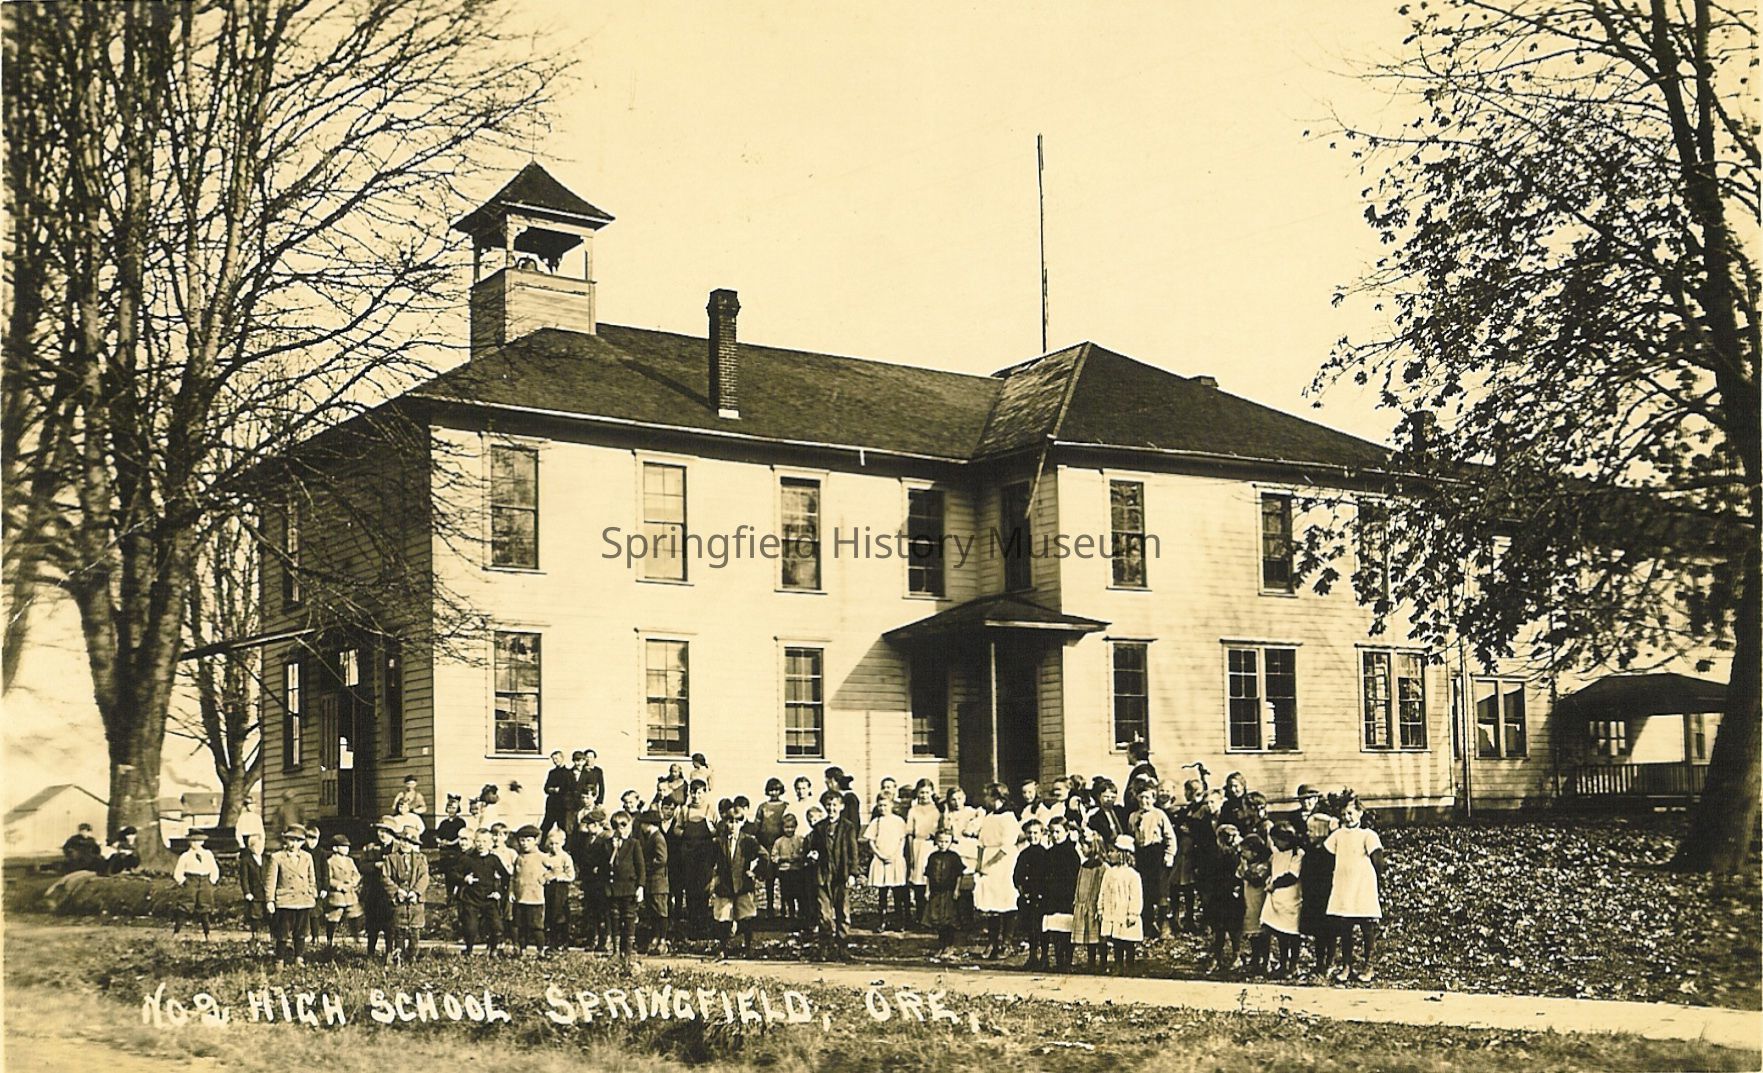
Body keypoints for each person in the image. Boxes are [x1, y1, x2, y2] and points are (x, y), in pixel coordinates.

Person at [1325, 799, 1386, 983]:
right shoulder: (1338, 835)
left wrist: (1376, 883)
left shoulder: (1368, 835)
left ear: (1360, 813)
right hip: (1344, 885)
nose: (1347, 817)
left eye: (1350, 813)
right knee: (1345, 928)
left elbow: (1378, 861)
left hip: (1362, 886)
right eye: (1343, 814)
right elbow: (1327, 855)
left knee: (1367, 927)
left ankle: (1368, 966)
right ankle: (1347, 966)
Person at [805, 790, 858, 961]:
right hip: (823, 874)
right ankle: (825, 947)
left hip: (841, 875)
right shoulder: (819, 827)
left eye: (835, 805)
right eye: (828, 805)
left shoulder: (848, 827)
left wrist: (853, 873)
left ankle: (843, 947)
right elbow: (813, 847)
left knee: (843, 912)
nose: (831, 808)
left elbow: (853, 851)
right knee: (824, 913)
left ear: (841, 807)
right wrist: (813, 854)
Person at [709, 798, 764, 959]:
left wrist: (755, 872)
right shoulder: (719, 842)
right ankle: (723, 948)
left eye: (737, 822)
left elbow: (764, 856)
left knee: (746, 916)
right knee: (723, 917)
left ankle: (748, 947)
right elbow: (709, 861)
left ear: (742, 822)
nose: (733, 825)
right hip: (725, 885)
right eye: (730, 822)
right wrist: (714, 877)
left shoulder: (748, 840)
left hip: (742, 884)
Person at [973, 785, 1021, 960]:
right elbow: (980, 843)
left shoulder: (1009, 818)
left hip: (1003, 863)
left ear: (997, 798)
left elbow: (1006, 847)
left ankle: (1006, 943)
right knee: (991, 903)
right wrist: (980, 864)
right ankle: (992, 942)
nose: (985, 799)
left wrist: (989, 864)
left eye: (987, 796)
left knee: (1006, 901)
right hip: (988, 860)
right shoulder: (989, 817)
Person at [1128, 786, 1176, 940]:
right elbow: (1131, 836)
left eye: (1147, 798)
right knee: (1145, 890)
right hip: (1142, 855)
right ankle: (1148, 924)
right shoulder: (1133, 816)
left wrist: (1169, 855)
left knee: (1161, 890)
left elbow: (1170, 837)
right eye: (1141, 797)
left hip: (1157, 854)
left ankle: (1164, 924)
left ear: (1154, 799)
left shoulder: (1159, 814)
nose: (1144, 801)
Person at [265, 824, 317, 966]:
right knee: (283, 932)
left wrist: (312, 892)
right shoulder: (277, 858)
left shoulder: (307, 857)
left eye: (298, 841)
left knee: (301, 931)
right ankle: (279, 959)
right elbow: (271, 881)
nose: (294, 844)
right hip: (285, 900)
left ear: (303, 842)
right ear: (285, 840)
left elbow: (311, 878)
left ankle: (299, 957)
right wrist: (270, 900)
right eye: (291, 840)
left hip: (303, 899)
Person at [381, 819, 429, 965]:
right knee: (399, 930)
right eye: (402, 840)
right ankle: (398, 956)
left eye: (409, 842)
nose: (405, 844)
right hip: (399, 899)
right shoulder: (391, 858)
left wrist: (416, 892)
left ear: (414, 844)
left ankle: (412, 956)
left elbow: (424, 877)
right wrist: (397, 891)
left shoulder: (421, 859)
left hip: (415, 901)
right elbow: (385, 877)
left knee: (415, 930)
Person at [1261, 822, 1306, 978]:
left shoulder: (1297, 854)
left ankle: (1293, 965)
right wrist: (1269, 879)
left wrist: (1274, 884)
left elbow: (1292, 876)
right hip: (1275, 897)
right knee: (1278, 932)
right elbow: (1274, 870)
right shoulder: (1276, 854)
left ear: (1286, 840)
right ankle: (1282, 963)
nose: (1274, 844)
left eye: (1276, 841)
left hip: (1291, 897)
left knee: (1291, 933)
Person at [1299, 812, 1340, 978]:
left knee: (1329, 931)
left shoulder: (1329, 852)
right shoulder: (1309, 850)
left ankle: (1330, 961)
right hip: (1312, 895)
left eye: (1311, 830)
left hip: (1326, 895)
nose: (1308, 834)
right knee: (1318, 931)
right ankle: (1319, 962)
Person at [457, 829, 509, 956]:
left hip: (489, 898)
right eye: (478, 841)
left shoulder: (494, 859)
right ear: (474, 842)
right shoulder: (467, 859)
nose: (481, 845)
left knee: (497, 926)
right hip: (471, 898)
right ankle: (469, 950)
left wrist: (499, 892)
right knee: (471, 927)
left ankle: (493, 949)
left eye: (485, 841)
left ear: (491, 843)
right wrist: (464, 878)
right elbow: (453, 873)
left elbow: (506, 877)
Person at [1098, 834, 1144, 975]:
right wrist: (1100, 908)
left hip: (1125, 912)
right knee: (1116, 940)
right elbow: (1103, 892)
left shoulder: (1132, 875)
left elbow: (1135, 896)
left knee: (1128, 941)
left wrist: (1133, 913)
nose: (1109, 854)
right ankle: (1118, 965)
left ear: (1122, 854)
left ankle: (1129, 966)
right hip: (1112, 911)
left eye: (1113, 851)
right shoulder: (1109, 873)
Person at [1040, 816, 1082, 971]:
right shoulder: (1049, 853)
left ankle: (1067, 961)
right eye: (1052, 832)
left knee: (1066, 928)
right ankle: (1058, 960)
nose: (1055, 835)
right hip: (1052, 896)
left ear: (1067, 831)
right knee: (1055, 928)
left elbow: (1075, 877)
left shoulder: (1072, 853)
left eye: (1058, 832)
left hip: (1066, 896)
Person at [862, 797, 909, 931]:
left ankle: (899, 922)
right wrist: (880, 855)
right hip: (880, 860)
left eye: (885, 805)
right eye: (880, 806)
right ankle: (882, 921)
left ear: (891, 805)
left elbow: (902, 840)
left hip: (895, 859)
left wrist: (895, 855)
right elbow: (871, 841)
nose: (883, 808)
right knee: (882, 894)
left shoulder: (898, 821)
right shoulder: (876, 822)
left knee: (897, 893)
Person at [1204, 823, 1245, 974]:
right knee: (1219, 927)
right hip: (1218, 894)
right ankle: (1217, 957)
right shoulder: (1215, 853)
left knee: (1234, 928)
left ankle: (1236, 955)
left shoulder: (1240, 854)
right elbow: (1209, 874)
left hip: (1234, 894)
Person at [606, 810, 646, 956]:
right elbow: (605, 865)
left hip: (629, 888)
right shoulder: (607, 845)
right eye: (616, 826)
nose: (620, 830)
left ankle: (628, 951)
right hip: (613, 888)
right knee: (614, 919)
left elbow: (640, 867)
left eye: (624, 826)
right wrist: (613, 848)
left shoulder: (633, 844)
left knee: (629, 919)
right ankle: (616, 950)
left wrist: (640, 886)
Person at [572, 809, 611, 951]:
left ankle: (604, 940)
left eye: (589, 824)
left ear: (597, 824)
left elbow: (609, 859)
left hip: (601, 880)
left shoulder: (606, 838)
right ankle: (592, 939)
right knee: (591, 910)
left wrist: (600, 869)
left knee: (603, 911)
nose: (587, 828)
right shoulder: (588, 839)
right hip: (589, 880)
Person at [903, 779, 942, 920]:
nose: (924, 795)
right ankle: (920, 915)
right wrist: (911, 854)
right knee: (919, 879)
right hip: (918, 845)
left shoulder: (937, 810)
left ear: (932, 792)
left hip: (933, 845)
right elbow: (910, 833)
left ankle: (934, 916)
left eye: (927, 792)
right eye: (921, 792)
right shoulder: (913, 810)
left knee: (933, 878)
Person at [1012, 818, 1049, 968]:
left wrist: (1043, 892)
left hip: (1042, 896)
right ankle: (1032, 956)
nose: (1032, 836)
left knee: (1043, 927)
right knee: (1030, 927)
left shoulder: (1045, 854)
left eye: (1035, 833)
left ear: (1042, 833)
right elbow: (1017, 876)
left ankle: (1044, 957)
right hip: (1028, 896)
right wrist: (1023, 891)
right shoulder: (1024, 854)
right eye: (1029, 833)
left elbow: (1049, 876)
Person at [922, 828, 964, 957]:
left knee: (949, 920)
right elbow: (928, 875)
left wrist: (957, 890)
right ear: (936, 841)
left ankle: (949, 946)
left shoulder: (954, 857)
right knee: (938, 920)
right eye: (940, 841)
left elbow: (959, 875)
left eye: (946, 842)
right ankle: (941, 945)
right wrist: (927, 890)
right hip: (936, 892)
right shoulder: (933, 857)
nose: (943, 844)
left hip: (949, 892)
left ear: (951, 842)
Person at [172, 831, 220, 939]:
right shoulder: (185, 856)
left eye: (198, 841)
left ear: (202, 842)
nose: (195, 843)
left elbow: (214, 869)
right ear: (189, 842)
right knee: (185, 906)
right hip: (191, 881)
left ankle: (207, 934)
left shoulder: (208, 854)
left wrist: (211, 881)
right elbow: (178, 872)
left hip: (205, 881)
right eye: (193, 841)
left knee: (205, 907)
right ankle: (176, 933)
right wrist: (184, 881)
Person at [508, 825, 547, 955]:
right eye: (522, 840)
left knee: (536, 927)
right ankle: (522, 950)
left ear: (536, 841)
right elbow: (514, 876)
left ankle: (540, 951)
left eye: (528, 840)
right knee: (520, 926)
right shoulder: (519, 858)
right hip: (520, 898)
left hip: (535, 899)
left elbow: (556, 868)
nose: (524, 843)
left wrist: (546, 877)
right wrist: (512, 891)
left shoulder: (542, 857)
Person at [1072, 831, 1107, 972]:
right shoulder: (1084, 866)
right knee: (1089, 935)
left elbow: (1102, 887)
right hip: (1084, 904)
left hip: (1095, 904)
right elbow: (1079, 884)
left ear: (1092, 847)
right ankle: (1091, 962)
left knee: (1100, 936)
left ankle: (1103, 963)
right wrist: (1077, 900)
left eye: (1083, 846)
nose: (1081, 848)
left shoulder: (1102, 867)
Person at [1238, 834, 1273, 976]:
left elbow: (1256, 880)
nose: (1242, 854)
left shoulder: (1263, 866)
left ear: (1255, 852)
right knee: (1252, 933)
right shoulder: (1246, 865)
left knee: (1262, 933)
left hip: (1259, 902)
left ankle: (1266, 961)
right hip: (1249, 902)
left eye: (1245, 851)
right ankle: (1255, 959)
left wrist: (1245, 871)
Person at [637, 809, 671, 953]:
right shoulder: (651, 837)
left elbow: (661, 859)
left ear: (649, 824)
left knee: (660, 911)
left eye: (643, 824)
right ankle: (655, 938)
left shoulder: (658, 838)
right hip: (652, 881)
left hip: (658, 880)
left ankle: (662, 940)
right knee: (653, 911)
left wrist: (646, 867)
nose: (641, 827)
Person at [755, 778, 790, 914]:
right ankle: (769, 907)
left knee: (783, 877)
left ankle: (784, 907)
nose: (774, 793)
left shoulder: (785, 806)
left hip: (782, 846)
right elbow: (757, 826)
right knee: (769, 878)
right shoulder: (763, 807)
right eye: (771, 790)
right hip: (767, 846)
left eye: (776, 790)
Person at [322, 834, 363, 946]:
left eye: (347, 847)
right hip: (337, 894)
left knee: (354, 914)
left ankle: (356, 937)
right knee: (334, 916)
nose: (346, 849)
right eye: (343, 846)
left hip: (349, 892)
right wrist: (338, 885)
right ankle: (330, 940)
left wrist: (353, 882)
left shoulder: (349, 861)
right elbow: (328, 878)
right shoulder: (330, 862)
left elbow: (356, 874)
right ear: (335, 848)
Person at [770, 812, 806, 929]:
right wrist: (782, 859)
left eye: (792, 827)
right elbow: (774, 857)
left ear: (796, 827)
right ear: (782, 827)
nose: (789, 830)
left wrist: (798, 858)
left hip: (797, 871)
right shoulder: (779, 842)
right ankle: (789, 914)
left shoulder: (800, 840)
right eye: (787, 827)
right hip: (785, 872)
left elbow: (805, 854)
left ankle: (801, 915)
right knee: (786, 894)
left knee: (799, 893)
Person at [542, 827, 576, 953]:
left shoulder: (565, 857)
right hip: (548, 888)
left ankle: (562, 941)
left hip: (560, 888)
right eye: (551, 844)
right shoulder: (546, 856)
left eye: (557, 844)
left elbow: (571, 875)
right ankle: (551, 941)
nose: (554, 847)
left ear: (563, 842)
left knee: (560, 914)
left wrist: (557, 877)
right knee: (549, 913)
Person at [435, 795, 469, 904]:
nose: (451, 810)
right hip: (445, 852)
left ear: (457, 809)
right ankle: (449, 896)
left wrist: (450, 843)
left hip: (455, 851)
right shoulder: (444, 823)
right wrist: (440, 841)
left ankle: (459, 895)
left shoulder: (460, 822)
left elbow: (460, 836)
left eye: (453, 808)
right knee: (447, 874)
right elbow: (437, 835)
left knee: (456, 873)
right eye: (449, 807)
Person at [238, 833, 268, 941]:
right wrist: (247, 892)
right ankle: (255, 935)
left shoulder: (266, 859)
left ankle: (268, 935)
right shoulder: (246, 861)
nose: (260, 849)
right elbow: (244, 878)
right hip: (254, 892)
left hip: (265, 891)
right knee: (255, 914)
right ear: (251, 847)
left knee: (268, 913)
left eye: (261, 846)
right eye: (257, 846)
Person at [540, 751, 576, 838]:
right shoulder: (552, 773)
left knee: (563, 827)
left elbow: (572, 789)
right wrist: (552, 789)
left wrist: (560, 790)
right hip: (552, 805)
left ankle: (566, 844)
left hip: (563, 805)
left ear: (562, 758)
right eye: (553, 759)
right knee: (546, 826)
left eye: (556, 758)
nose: (555, 761)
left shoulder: (569, 773)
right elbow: (546, 788)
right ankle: (541, 843)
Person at [303, 826, 327, 945]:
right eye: (309, 838)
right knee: (303, 912)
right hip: (303, 885)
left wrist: (325, 888)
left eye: (315, 839)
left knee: (315, 913)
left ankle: (315, 936)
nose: (312, 842)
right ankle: (304, 935)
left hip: (317, 886)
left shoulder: (321, 853)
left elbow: (325, 872)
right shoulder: (302, 851)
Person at [1086, 781, 1128, 846]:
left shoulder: (1121, 811)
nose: (1109, 799)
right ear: (1099, 796)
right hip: (1109, 846)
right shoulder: (1095, 817)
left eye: (1113, 797)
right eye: (1106, 796)